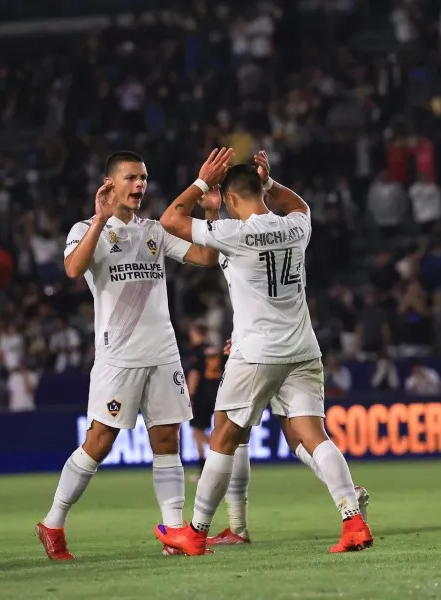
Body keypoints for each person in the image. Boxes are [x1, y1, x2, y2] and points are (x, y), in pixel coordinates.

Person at [154, 149, 372, 555]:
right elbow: (300, 204)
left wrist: (202, 181)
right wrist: (270, 184)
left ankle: (196, 532)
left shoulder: (234, 234)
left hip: (257, 351)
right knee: (314, 435)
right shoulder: (295, 226)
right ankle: (352, 521)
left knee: (223, 432)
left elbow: (170, 219)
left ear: (231, 199)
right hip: (303, 348)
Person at [35, 150, 231, 560]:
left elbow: (207, 257)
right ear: (110, 184)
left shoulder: (155, 231)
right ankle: (52, 523)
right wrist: (101, 220)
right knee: (98, 443)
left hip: (162, 353)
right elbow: (73, 270)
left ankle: (175, 530)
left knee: (167, 440)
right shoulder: (85, 229)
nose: (140, 184)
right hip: (118, 356)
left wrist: (211, 216)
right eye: (131, 178)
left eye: (143, 177)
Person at [204, 336, 370, 547]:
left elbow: (256, 306)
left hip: (257, 353)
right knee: (301, 436)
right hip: (299, 349)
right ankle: (348, 493)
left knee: (232, 432)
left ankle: (236, 528)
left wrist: (241, 337)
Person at [185, 321, 224, 481]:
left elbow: (195, 373)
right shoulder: (214, 348)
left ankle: (221, 454)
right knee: (200, 431)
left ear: (197, 333)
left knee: (197, 431)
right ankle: (206, 467)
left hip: (201, 394)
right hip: (216, 393)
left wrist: (190, 395)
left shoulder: (197, 351)